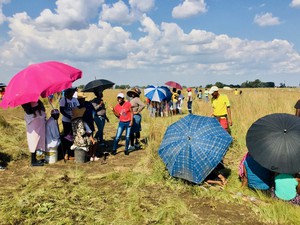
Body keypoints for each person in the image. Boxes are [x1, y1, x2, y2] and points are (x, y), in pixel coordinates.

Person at [21, 100, 46, 166]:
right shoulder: (24, 101)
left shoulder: (36, 99)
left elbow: (43, 108)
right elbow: (28, 111)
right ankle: (33, 160)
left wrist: (39, 106)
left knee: (39, 138)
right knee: (33, 140)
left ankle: (36, 158)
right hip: (32, 123)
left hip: (38, 121)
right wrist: (37, 107)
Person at [59, 87, 79, 159]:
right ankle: (66, 153)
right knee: (68, 137)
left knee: (74, 136)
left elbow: (77, 108)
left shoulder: (75, 99)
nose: (73, 93)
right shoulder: (63, 100)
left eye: (73, 92)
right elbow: (62, 110)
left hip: (74, 120)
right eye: (72, 92)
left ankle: (72, 152)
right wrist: (68, 116)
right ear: (68, 93)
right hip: (66, 121)